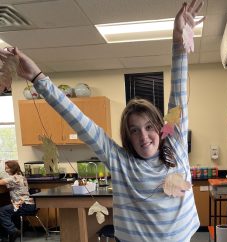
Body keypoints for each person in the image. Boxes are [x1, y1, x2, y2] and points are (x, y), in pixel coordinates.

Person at [0, 0, 204, 241]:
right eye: (134, 130)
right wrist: (37, 77)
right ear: (127, 136)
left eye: (149, 127)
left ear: (161, 128)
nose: (144, 136)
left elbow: (178, 94)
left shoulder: (176, 144)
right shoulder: (121, 162)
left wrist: (178, 43)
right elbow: (77, 119)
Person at [0, 160, 36, 242]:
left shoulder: (14, 178)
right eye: (5, 168)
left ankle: (13, 231)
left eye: (8, 168)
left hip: (23, 205)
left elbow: (1, 182)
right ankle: (9, 233)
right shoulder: (21, 176)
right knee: (6, 210)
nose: (6, 170)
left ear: (14, 168)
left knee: (2, 211)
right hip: (29, 204)